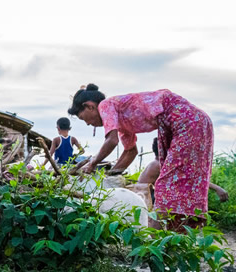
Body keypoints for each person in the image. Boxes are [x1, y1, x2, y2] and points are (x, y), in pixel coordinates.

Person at [69, 84, 215, 229]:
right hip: (194, 121)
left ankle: (154, 238)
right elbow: (130, 152)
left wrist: (92, 163)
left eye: (83, 118)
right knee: (184, 179)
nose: (88, 124)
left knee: (168, 184)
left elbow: (112, 141)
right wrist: (109, 175)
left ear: (90, 106)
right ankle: (180, 231)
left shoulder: (106, 105)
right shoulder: (123, 122)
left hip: (186, 122)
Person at [138, 137, 228, 203]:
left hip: (145, 196)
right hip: (144, 198)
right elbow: (190, 178)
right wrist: (217, 188)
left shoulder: (156, 163)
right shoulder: (159, 165)